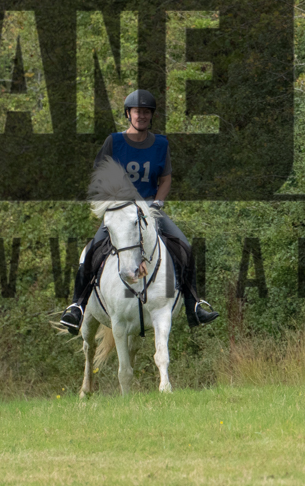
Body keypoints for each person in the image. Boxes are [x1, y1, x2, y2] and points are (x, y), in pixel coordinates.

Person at [59, 89, 218, 333]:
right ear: (128, 114)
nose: (141, 115)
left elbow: (165, 179)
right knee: (91, 251)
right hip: (121, 212)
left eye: (146, 112)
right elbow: (100, 174)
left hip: (150, 211)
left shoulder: (161, 144)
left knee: (184, 246)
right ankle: (77, 307)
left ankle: (194, 305)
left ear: (151, 115)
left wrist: (157, 203)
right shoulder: (114, 141)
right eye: (137, 111)